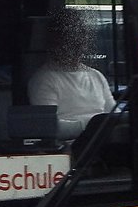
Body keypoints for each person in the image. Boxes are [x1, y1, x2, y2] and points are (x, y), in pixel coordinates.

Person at [27, 8, 114, 138]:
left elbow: (113, 114)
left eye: (81, 35)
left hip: (102, 144)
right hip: (72, 151)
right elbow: (50, 127)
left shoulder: (96, 76)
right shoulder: (44, 79)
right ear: (56, 41)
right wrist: (93, 125)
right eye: (71, 36)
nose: (78, 43)